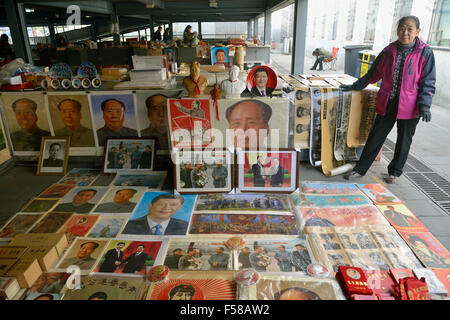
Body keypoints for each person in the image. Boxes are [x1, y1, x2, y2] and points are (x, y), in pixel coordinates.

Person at [343, 16, 435, 184]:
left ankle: (394, 172)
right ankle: (360, 169)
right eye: (402, 28)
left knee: (403, 140)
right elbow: (373, 74)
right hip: (388, 102)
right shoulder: (388, 51)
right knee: (375, 136)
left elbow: (428, 80)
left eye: (410, 29)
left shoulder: (425, 52)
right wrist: (356, 85)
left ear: (417, 32)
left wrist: (425, 105)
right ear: (397, 29)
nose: (405, 32)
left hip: (410, 105)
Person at [122, 194, 189, 235]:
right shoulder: (128, 225)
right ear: (150, 206)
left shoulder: (185, 226)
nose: (166, 208)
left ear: (178, 208)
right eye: (161, 204)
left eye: (173, 205)